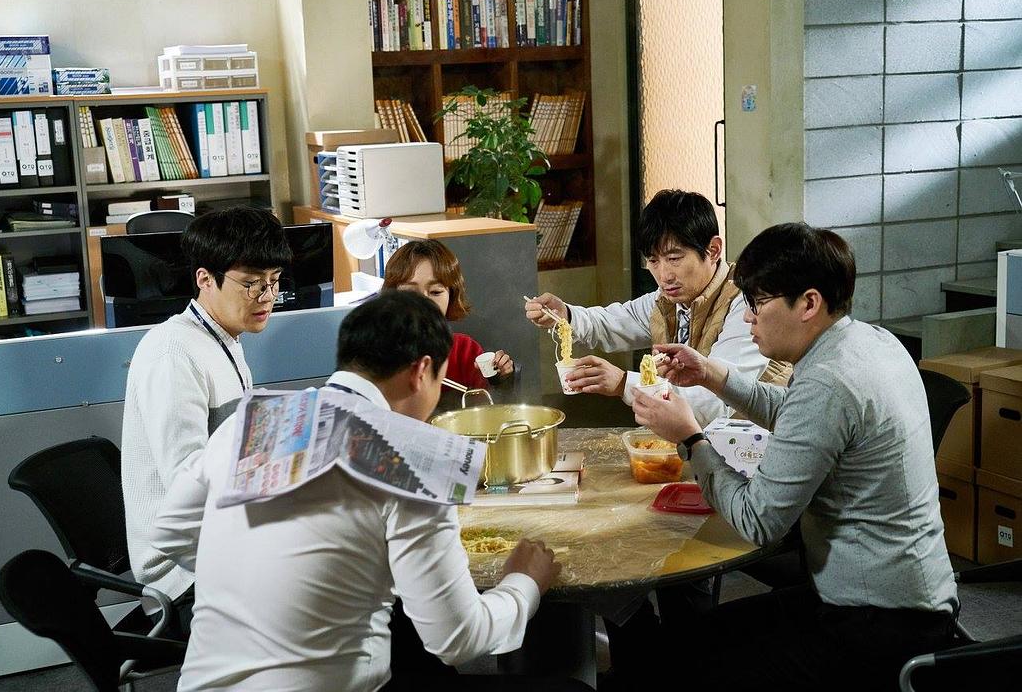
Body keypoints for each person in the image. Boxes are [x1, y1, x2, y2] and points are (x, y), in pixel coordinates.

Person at [151, 291, 579, 692]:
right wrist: (523, 583)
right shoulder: (413, 457)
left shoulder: (255, 422)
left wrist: (255, 575)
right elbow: (458, 638)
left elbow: (169, 530)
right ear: (421, 372)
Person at [631, 223, 958, 691]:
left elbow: (757, 521)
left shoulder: (829, 381)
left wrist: (691, 438)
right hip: (908, 597)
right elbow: (798, 413)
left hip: (878, 625)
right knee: (692, 640)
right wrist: (711, 375)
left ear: (808, 303)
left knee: (678, 664)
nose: (748, 318)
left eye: (758, 303)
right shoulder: (871, 341)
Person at [120, 206, 292, 637]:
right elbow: (188, 484)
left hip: (225, 541)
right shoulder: (174, 353)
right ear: (205, 279)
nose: (266, 296)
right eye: (251, 283)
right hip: (184, 578)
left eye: (273, 280)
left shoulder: (222, 339)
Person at [525, 189, 789, 426]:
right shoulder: (667, 301)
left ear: (713, 250)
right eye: (653, 261)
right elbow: (611, 322)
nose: (664, 275)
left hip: (754, 443)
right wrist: (565, 315)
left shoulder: (747, 304)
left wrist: (623, 383)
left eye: (674, 258)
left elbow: (714, 403)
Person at [383, 239, 513, 390]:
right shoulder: (378, 353)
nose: (424, 302)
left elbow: (485, 400)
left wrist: (500, 379)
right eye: (411, 292)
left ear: (451, 296)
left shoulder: (465, 351)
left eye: (435, 292)